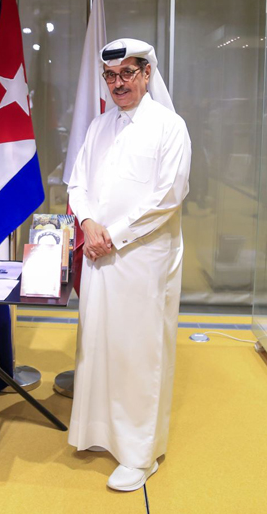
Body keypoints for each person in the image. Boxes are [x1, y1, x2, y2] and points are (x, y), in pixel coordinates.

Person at [67, 38, 192, 491]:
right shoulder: (99, 125)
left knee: (140, 352)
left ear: (146, 74)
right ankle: (100, 433)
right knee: (98, 343)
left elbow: (169, 197)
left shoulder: (169, 126)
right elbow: (77, 183)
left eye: (128, 74)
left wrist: (113, 236)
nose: (119, 84)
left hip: (142, 258)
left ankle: (140, 454)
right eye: (111, 76)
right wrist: (88, 223)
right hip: (99, 254)